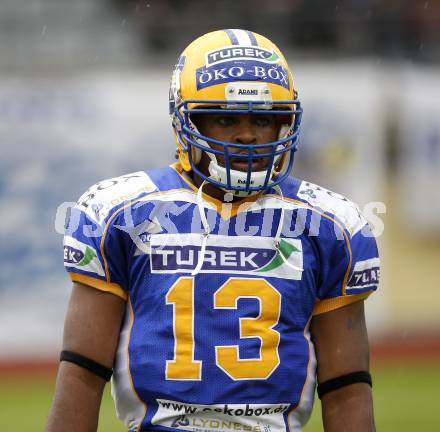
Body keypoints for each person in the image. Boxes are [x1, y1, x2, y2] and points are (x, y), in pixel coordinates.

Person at [47, 29, 379, 432]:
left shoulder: (331, 224)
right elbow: (83, 370)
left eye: (263, 119)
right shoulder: (119, 212)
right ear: (185, 119)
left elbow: (346, 387)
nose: (247, 134)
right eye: (225, 118)